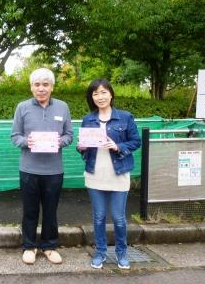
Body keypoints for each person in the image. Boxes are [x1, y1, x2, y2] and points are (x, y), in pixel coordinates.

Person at [11, 68, 73, 265]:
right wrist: (27, 142)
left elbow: (69, 135)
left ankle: (49, 246)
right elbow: (15, 136)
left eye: (45, 84)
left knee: (50, 210)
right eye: (37, 84)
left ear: (52, 87)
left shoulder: (63, 107)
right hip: (29, 169)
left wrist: (57, 142)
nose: (41, 89)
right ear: (31, 87)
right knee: (29, 210)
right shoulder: (22, 107)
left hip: (54, 170)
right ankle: (29, 246)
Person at [77, 78, 140, 270]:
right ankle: (100, 252)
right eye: (95, 93)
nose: (100, 96)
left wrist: (118, 146)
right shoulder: (88, 119)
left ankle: (121, 253)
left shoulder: (125, 117)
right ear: (92, 97)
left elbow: (136, 141)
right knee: (99, 217)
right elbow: (83, 148)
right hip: (95, 174)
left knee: (118, 217)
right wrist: (81, 147)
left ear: (111, 94)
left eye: (103, 92)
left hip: (119, 174)